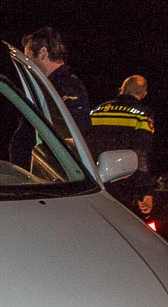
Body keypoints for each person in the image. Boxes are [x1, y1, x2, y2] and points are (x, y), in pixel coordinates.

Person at [9, 27, 91, 167]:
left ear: (43, 53)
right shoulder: (46, 86)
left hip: (50, 170)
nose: (27, 64)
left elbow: (73, 135)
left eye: (28, 57)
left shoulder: (66, 87)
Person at [90, 75, 155, 215]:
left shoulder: (98, 109)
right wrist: (145, 191)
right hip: (123, 182)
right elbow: (141, 153)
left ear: (122, 89)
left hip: (92, 179)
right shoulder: (142, 114)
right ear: (144, 94)